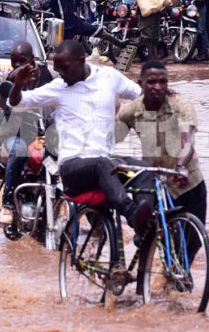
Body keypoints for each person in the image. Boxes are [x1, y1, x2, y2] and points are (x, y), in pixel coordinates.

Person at [8, 40, 152, 238]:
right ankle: (132, 214)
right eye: (57, 69)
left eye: (64, 68)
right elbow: (17, 102)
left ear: (81, 61)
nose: (61, 74)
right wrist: (18, 85)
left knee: (144, 169)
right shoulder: (58, 87)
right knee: (102, 163)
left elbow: (140, 95)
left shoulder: (110, 77)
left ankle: (145, 229)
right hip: (73, 169)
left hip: (106, 165)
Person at [116, 59, 207, 256]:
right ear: (140, 83)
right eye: (151, 82)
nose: (158, 87)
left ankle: (179, 278)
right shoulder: (132, 110)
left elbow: (187, 141)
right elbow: (114, 136)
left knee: (195, 241)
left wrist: (181, 166)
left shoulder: (180, 104)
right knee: (160, 238)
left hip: (188, 181)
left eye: (162, 82)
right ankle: (154, 275)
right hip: (155, 183)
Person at [0, 40, 54, 224]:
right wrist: (11, 80)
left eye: (22, 60)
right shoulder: (6, 79)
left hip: (44, 136)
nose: (17, 65)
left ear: (33, 60)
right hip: (14, 136)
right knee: (18, 149)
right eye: (13, 61)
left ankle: (84, 214)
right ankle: (8, 205)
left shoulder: (50, 76)